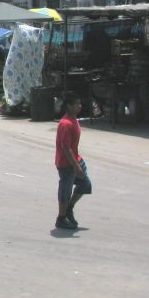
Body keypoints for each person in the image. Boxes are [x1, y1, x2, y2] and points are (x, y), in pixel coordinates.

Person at [55, 93, 91, 230]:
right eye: (76, 104)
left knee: (85, 185)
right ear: (69, 106)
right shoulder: (65, 124)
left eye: (79, 103)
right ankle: (61, 218)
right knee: (65, 190)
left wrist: (78, 162)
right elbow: (65, 147)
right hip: (66, 164)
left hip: (75, 160)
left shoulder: (74, 120)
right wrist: (75, 166)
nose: (79, 106)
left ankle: (69, 208)